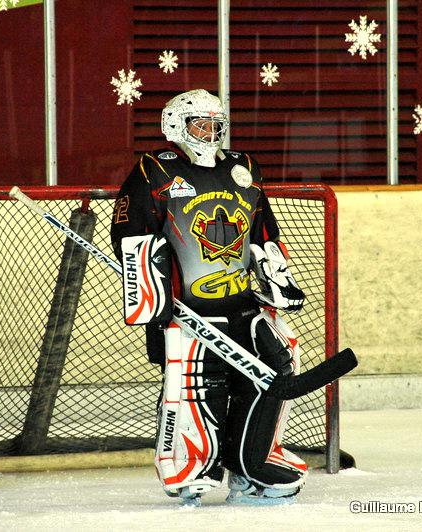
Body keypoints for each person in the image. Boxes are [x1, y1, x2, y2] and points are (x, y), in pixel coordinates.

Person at [110, 89, 307, 505]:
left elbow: (263, 233)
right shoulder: (154, 170)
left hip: (243, 308)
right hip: (188, 314)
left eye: (217, 125)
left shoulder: (243, 167)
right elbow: (131, 234)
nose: (211, 133)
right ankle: (193, 468)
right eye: (201, 124)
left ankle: (252, 465)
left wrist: (277, 279)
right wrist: (152, 292)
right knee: (200, 386)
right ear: (175, 125)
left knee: (275, 371)